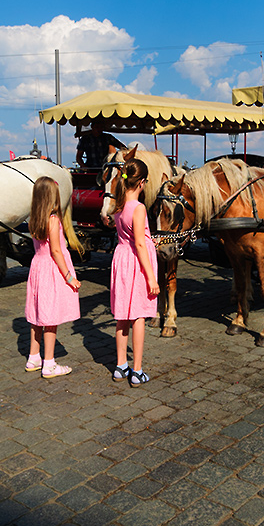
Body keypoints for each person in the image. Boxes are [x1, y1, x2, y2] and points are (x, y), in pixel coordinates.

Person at [24, 176, 81, 378]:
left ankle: (33, 357)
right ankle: (49, 363)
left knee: (37, 317)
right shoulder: (53, 220)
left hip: (37, 268)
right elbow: (56, 251)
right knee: (50, 318)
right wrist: (68, 277)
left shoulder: (34, 219)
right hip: (51, 271)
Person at [109, 158, 158, 387]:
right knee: (138, 316)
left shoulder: (119, 208)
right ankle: (137, 370)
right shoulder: (138, 208)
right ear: (142, 183)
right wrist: (151, 277)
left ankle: (121, 366)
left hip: (122, 261)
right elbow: (139, 244)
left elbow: (133, 239)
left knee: (122, 316)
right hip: (137, 265)